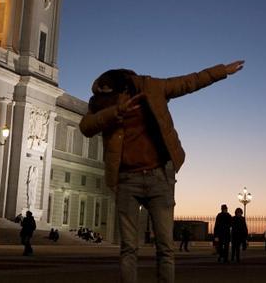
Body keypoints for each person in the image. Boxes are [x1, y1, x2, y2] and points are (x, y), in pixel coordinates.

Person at [80, 61, 245, 283]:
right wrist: (114, 112)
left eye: (107, 90)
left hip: (159, 176)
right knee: (129, 247)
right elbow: (86, 126)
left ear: (123, 85)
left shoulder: (153, 87)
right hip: (127, 179)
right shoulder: (102, 104)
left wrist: (221, 71)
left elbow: (190, 82)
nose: (103, 95)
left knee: (165, 247)